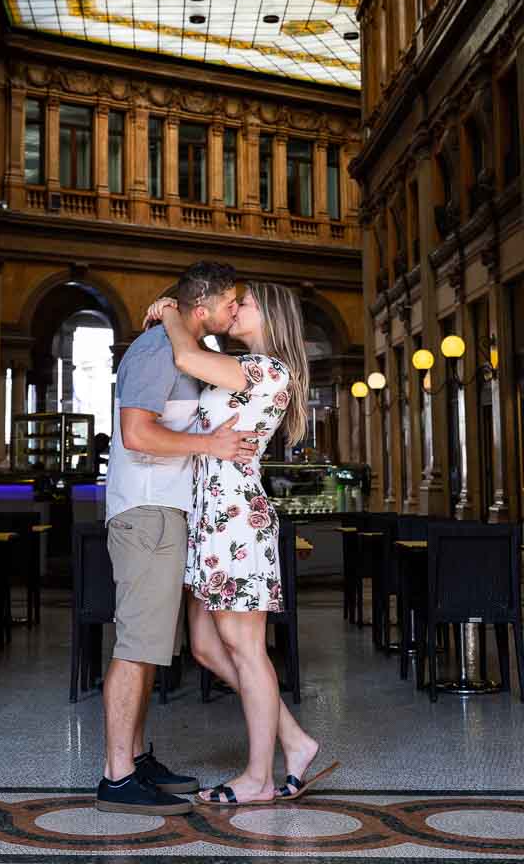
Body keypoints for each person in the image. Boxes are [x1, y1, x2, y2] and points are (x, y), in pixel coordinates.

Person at [146, 281, 339, 806]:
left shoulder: (268, 369)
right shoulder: (239, 365)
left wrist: (170, 313)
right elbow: (198, 359)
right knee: (207, 647)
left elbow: (186, 353)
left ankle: (258, 777)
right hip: (212, 518)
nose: (234, 309)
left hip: (235, 521)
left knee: (247, 651)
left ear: (270, 316)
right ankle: (295, 740)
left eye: (245, 303)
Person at [96, 262, 258, 816]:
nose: (236, 311)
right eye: (232, 302)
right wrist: (210, 446)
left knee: (151, 648)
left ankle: (137, 758)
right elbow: (136, 432)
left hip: (168, 513)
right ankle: (117, 777)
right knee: (136, 646)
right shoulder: (154, 351)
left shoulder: (181, 346)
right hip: (146, 512)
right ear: (205, 305)